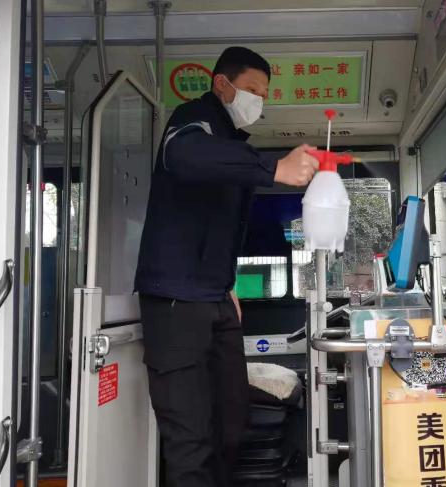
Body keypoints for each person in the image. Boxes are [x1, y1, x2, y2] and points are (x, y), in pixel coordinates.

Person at [134, 46, 319, 487]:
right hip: (175, 302)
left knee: (231, 421)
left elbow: (217, 226)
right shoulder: (192, 120)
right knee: (190, 439)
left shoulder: (233, 145)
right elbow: (185, 156)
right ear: (222, 84)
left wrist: (227, 281)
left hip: (215, 296)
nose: (259, 101)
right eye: (252, 89)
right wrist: (273, 168)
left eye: (264, 95)